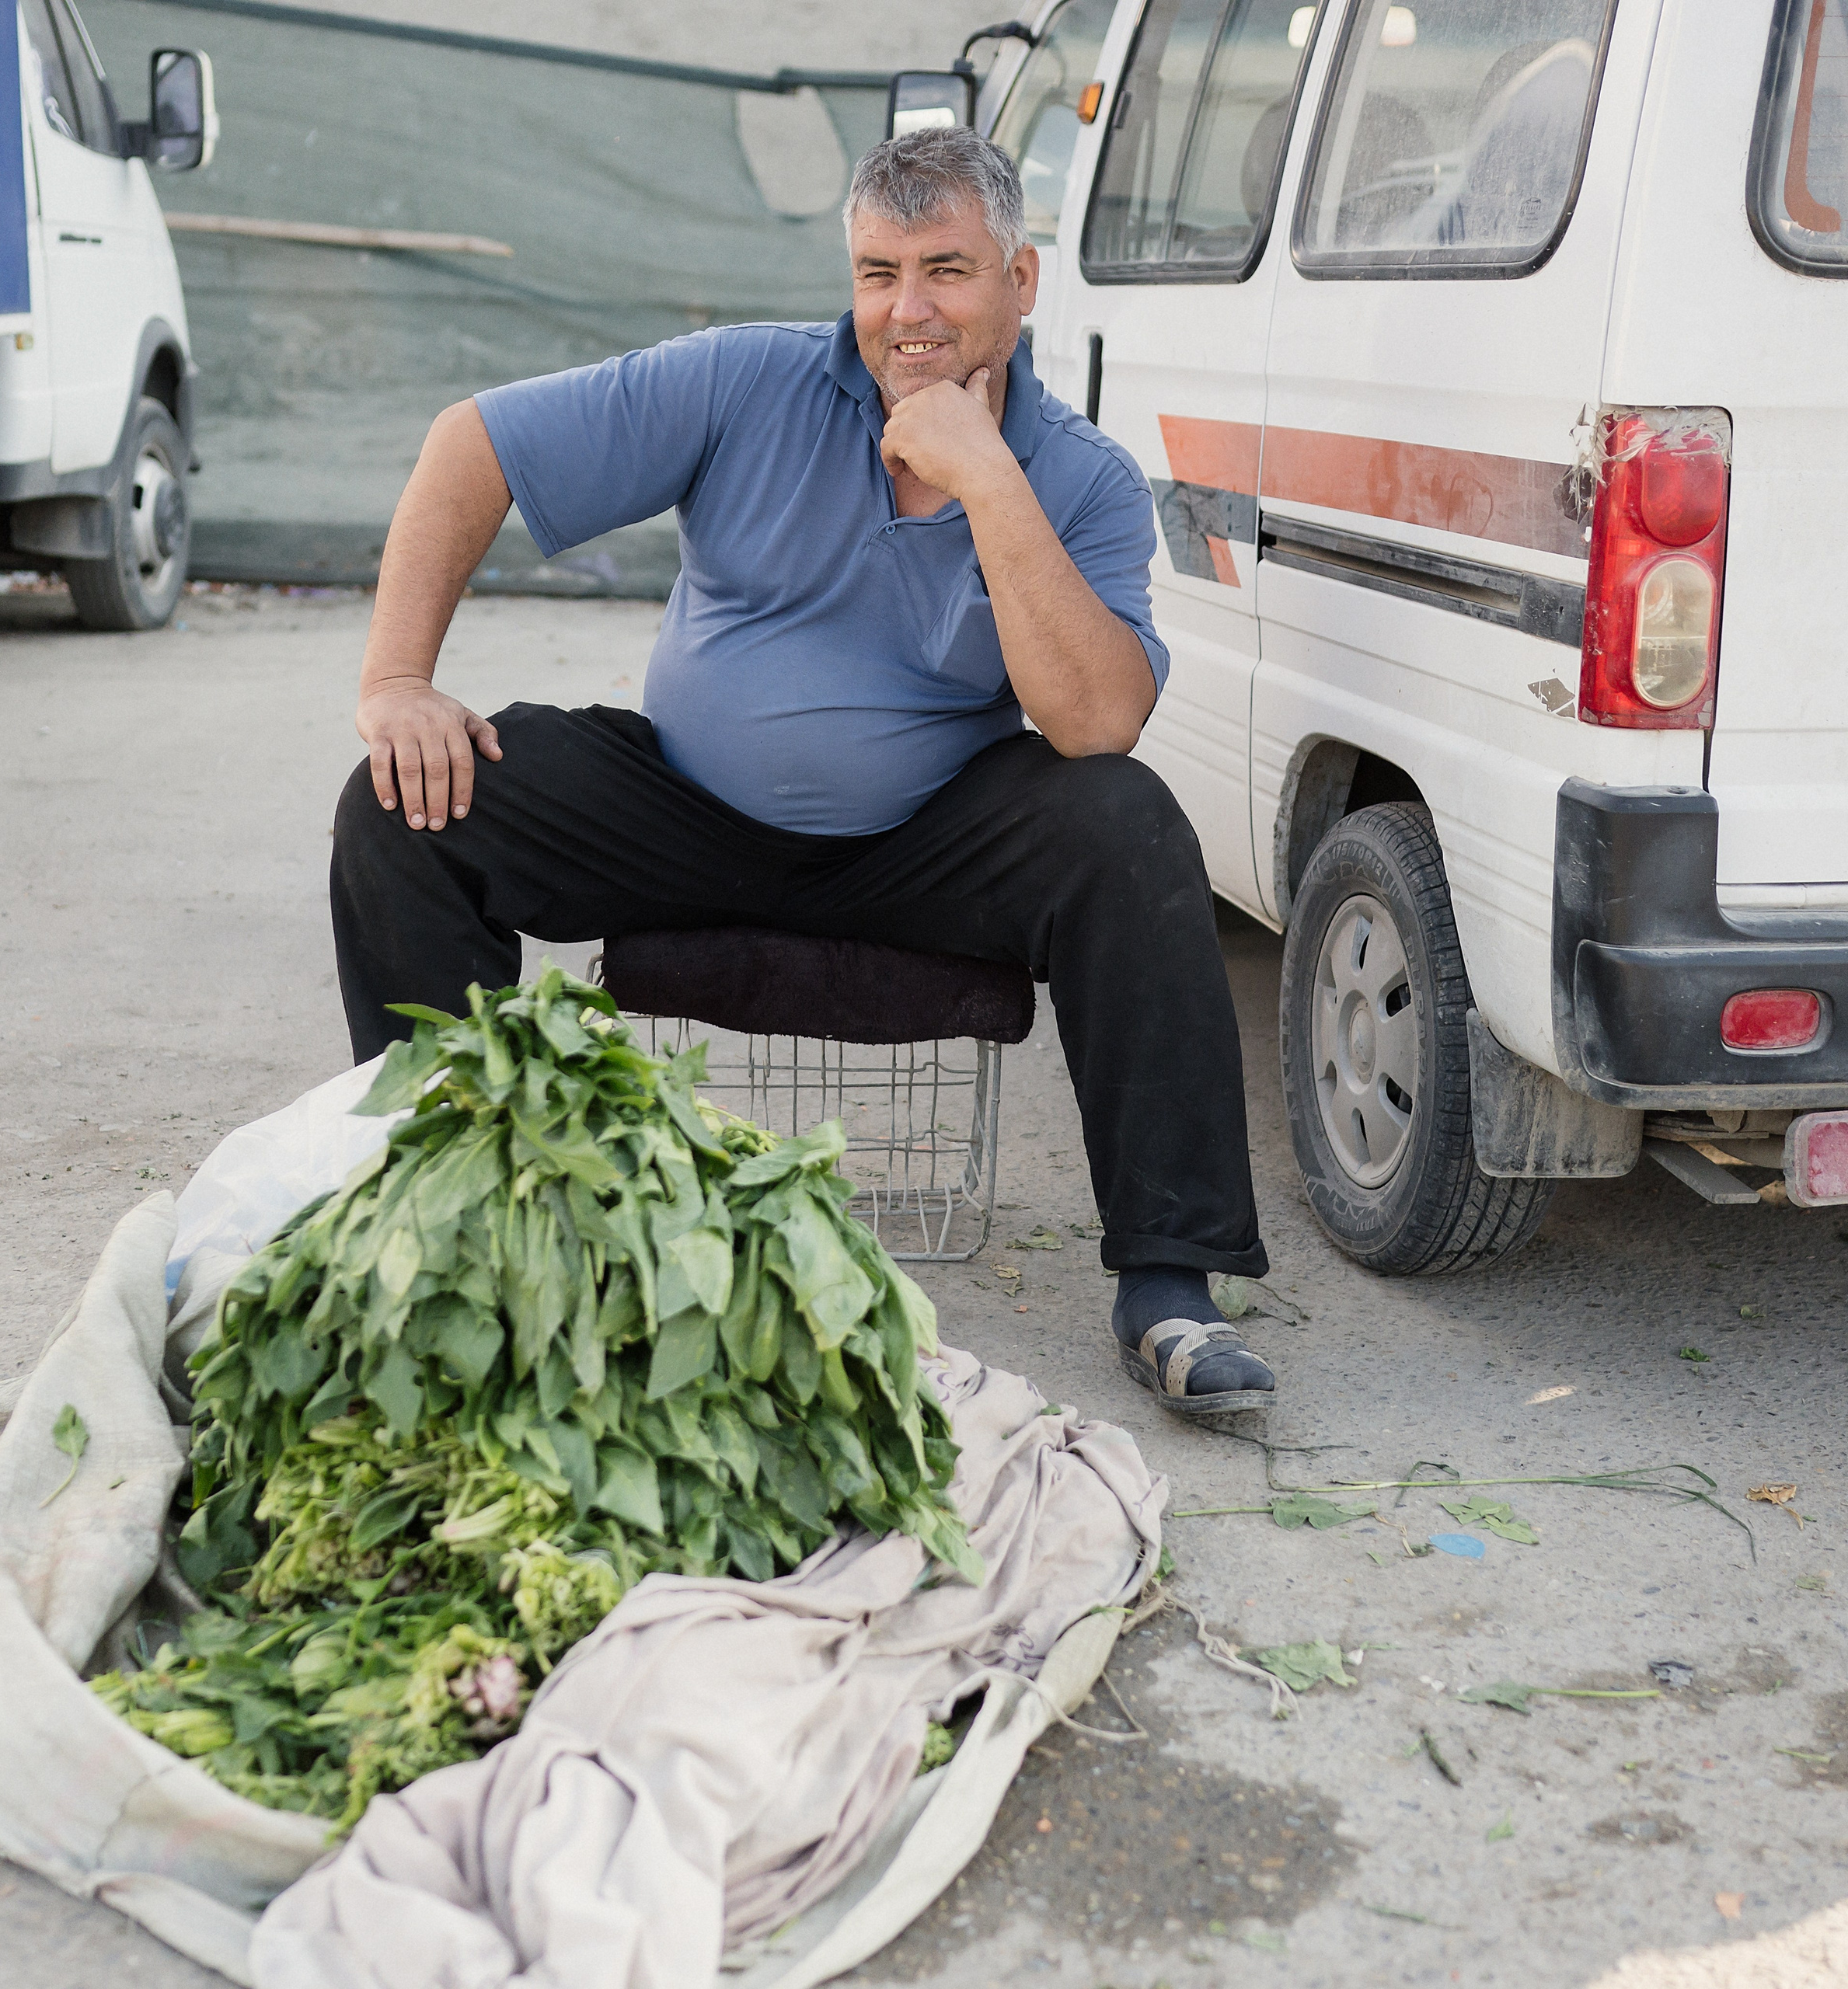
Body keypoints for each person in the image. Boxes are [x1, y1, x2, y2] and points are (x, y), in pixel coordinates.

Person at [330, 127, 1276, 1414]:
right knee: (411, 802)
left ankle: (1170, 1287)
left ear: (1022, 280)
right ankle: (446, 1231)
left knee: (1129, 824)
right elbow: (472, 444)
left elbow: (1095, 721)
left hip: (926, 845)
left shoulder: (1088, 481)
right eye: (879, 273)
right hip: (685, 813)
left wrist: (989, 477)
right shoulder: (744, 381)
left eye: (947, 269)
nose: (910, 310)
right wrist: (397, 682)